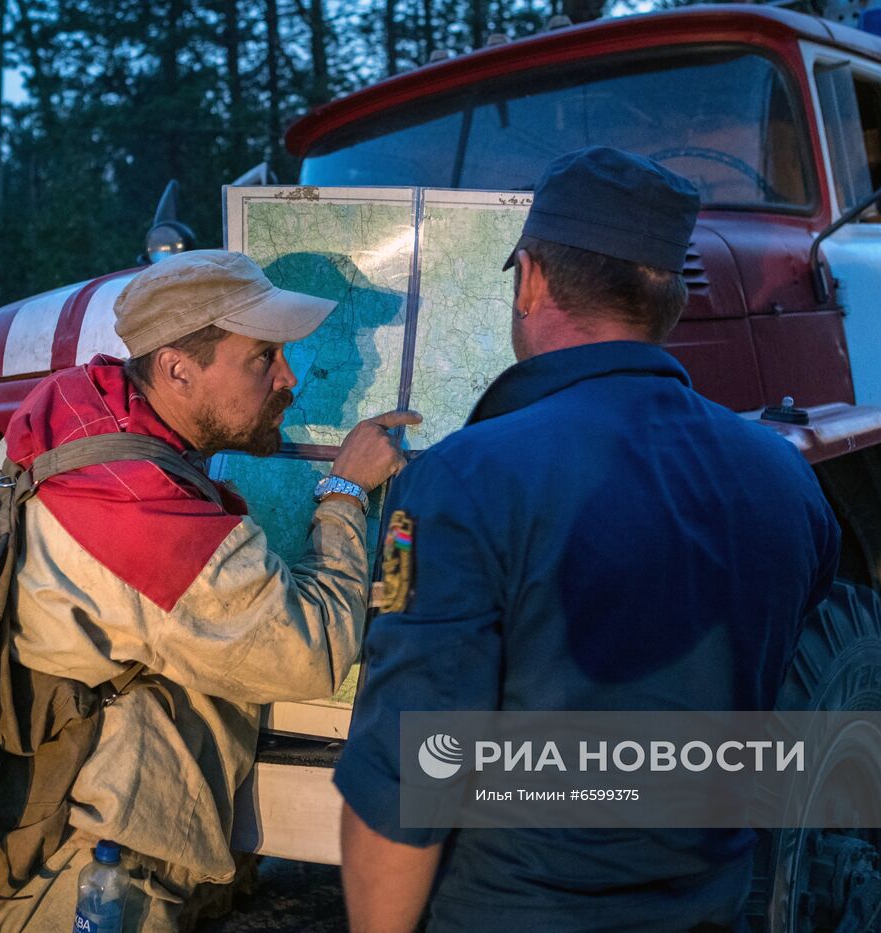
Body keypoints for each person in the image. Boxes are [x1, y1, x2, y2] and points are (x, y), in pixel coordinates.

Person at [335, 147, 841, 932]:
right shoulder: (785, 479)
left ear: (532, 278)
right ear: (669, 301)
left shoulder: (466, 477)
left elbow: (408, 773)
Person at [0, 250, 419, 930]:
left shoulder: (78, 406)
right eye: (263, 358)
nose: (289, 379)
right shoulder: (137, 510)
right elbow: (313, 651)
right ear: (176, 368)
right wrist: (343, 491)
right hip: (97, 886)